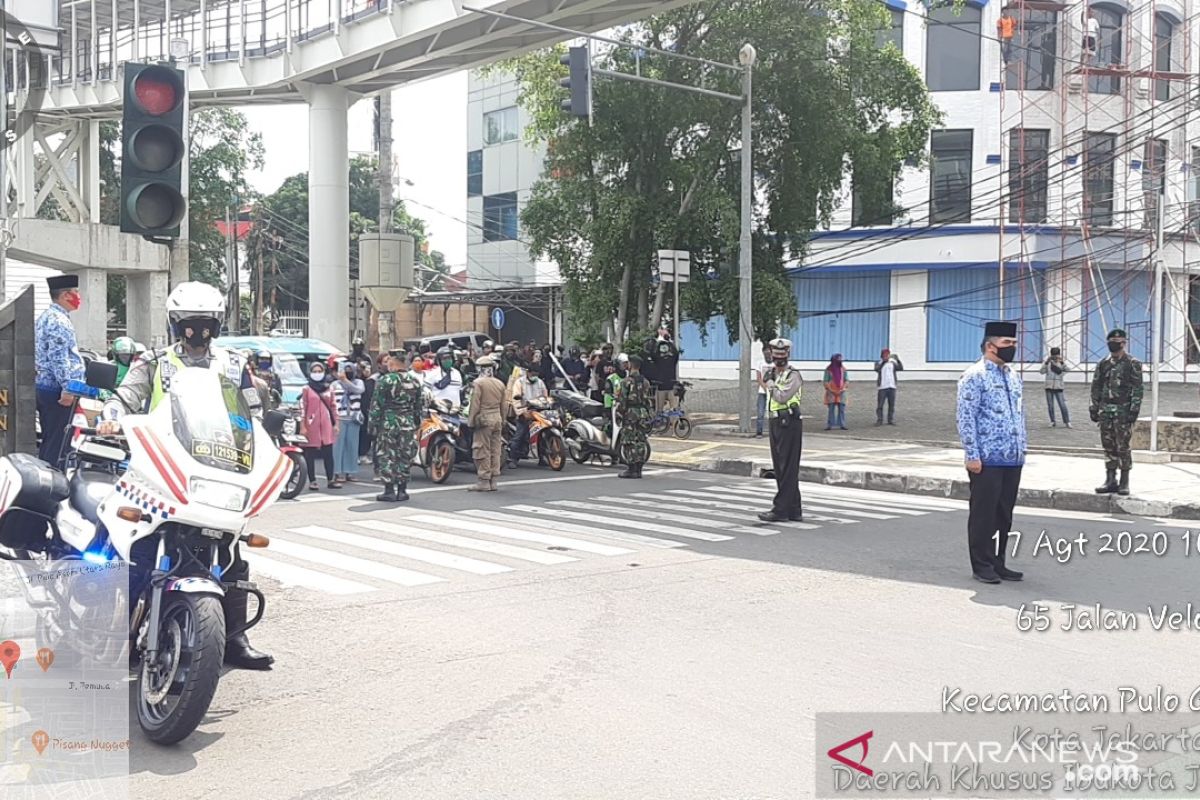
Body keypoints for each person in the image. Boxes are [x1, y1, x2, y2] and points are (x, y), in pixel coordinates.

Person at [98, 281, 272, 670]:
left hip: (219, 467)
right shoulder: (154, 362)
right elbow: (123, 398)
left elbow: (253, 411)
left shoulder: (232, 363)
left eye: (206, 322)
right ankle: (119, 631)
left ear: (218, 323)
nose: (197, 330)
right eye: (189, 322)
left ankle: (234, 639)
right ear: (175, 323)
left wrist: (267, 437)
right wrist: (111, 420)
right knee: (139, 546)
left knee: (232, 554)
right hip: (160, 465)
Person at [956, 321, 1026, 585]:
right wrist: (971, 454)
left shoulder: (1012, 375)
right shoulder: (974, 376)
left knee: (1003, 515)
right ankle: (981, 564)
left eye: (1014, 344)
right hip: (986, 458)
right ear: (990, 345)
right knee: (983, 514)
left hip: (1012, 456)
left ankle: (999, 562)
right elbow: (965, 417)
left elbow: (1019, 414)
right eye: (1007, 344)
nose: (1012, 348)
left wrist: (1023, 447)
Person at [35, 274, 85, 467]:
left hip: (47, 387)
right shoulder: (59, 321)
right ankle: (50, 489)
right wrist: (68, 388)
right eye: (76, 292)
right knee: (57, 444)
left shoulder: (46, 317)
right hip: (57, 391)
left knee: (51, 439)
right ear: (65, 295)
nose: (78, 297)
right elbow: (59, 358)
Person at [1090, 329, 1143, 496]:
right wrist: (1094, 406)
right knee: (1108, 445)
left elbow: (1137, 388)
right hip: (1106, 409)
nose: (1114, 344)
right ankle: (1110, 479)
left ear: (1124, 343)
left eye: (1117, 341)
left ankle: (1124, 481)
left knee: (1123, 446)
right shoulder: (1103, 363)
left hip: (1123, 410)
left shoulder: (1132, 363)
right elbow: (1096, 386)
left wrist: (1133, 411)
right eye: (1111, 341)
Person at [758, 338, 804, 523]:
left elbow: (782, 396)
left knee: (788, 467)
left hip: (790, 423)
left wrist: (769, 384)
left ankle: (781, 509)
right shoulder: (772, 373)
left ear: (788, 355)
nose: (778, 359)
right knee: (781, 467)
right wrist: (770, 381)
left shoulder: (793, 375)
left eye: (782, 356)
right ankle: (794, 509)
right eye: (776, 356)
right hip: (776, 421)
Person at [369, 350, 424, 502]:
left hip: (389, 423)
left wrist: (372, 425)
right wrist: (416, 423)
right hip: (407, 423)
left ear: (392, 363)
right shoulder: (414, 381)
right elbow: (418, 406)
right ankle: (402, 490)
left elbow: (376, 406)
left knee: (387, 455)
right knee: (404, 455)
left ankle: (389, 490)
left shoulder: (386, 380)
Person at [467, 355, 509, 492]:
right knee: (495, 450)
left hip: (484, 419)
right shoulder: (500, 383)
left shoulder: (478, 383)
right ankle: (493, 480)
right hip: (497, 419)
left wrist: (471, 421)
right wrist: (503, 420)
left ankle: (484, 481)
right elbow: (504, 405)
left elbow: (475, 404)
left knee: (482, 449)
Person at [299, 362, 341, 491]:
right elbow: (302, 408)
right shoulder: (306, 389)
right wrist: (303, 426)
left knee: (328, 453)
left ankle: (331, 479)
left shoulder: (329, 388)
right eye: (314, 371)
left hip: (327, 424)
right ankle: (312, 481)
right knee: (310, 453)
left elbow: (334, 407)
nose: (317, 374)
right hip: (312, 425)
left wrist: (336, 424)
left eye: (319, 371)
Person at [615, 354, 654, 478]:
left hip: (630, 413)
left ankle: (631, 469)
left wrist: (619, 414)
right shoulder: (646, 382)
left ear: (631, 365)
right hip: (642, 413)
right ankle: (639, 469)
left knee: (629, 440)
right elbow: (648, 400)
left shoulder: (626, 382)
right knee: (641, 440)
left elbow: (622, 401)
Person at [507, 364, 550, 468]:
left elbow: (545, 396)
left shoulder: (540, 382)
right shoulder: (519, 382)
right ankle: (513, 459)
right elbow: (515, 399)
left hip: (538, 411)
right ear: (528, 373)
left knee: (542, 434)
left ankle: (542, 457)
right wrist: (522, 412)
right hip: (524, 411)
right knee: (520, 434)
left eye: (537, 374)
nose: (535, 376)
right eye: (533, 374)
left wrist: (547, 404)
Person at [334, 362, 365, 483]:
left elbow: (358, 390)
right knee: (338, 447)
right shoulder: (334, 384)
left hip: (354, 418)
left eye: (350, 370)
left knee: (352, 446)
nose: (347, 372)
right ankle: (337, 472)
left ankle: (350, 471)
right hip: (339, 418)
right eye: (345, 370)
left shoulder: (358, 382)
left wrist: (345, 381)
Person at [648, 327, 681, 412]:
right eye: (662, 347)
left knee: (674, 410)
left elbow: (676, 353)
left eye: (665, 347)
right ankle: (661, 423)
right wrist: (657, 340)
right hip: (661, 387)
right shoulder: (658, 359)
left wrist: (668, 340)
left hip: (671, 386)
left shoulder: (671, 359)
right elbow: (652, 353)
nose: (664, 349)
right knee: (659, 410)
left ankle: (674, 424)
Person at [1039, 347, 1072, 428]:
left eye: (1056, 356)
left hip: (1058, 386)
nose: (1054, 357)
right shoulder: (1048, 363)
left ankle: (1067, 421)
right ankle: (1052, 421)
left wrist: (1062, 363)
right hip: (1049, 386)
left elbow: (1068, 370)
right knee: (1050, 405)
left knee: (1062, 404)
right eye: (1053, 356)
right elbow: (1041, 372)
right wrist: (1046, 363)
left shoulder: (1061, 363)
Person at [874, 348, 903, 426]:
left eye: (887, 355)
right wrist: (884, 362)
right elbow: (877, 369)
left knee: (891, 404)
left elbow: (900, 368)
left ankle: (890, 419)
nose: (886, 356)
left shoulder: (892, 363)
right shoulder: (878, 363)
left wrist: (898, 360)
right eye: (885, 355)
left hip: (892, 386)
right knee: (880, 405)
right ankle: (879, 420)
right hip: (882, 387)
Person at [823, 354, 849, 430]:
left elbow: (846, 380)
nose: (840, 361)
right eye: (838, 359)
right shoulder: (828, 370)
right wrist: (831, 390)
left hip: (842, 392)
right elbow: (825, 381)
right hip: (831, 392)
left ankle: (842, 424)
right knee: (831, 409)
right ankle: (830, 425)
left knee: (842, 409)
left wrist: (843, 389)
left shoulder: (843, 369)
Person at [754, 345, 772, 438]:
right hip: (762, 392)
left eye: (769, 353)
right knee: (760, 412)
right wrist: (765, 387)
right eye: (766, 354)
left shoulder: (775, 364)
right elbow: (758, 378)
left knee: (772, 412)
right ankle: (759, 431)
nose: (768, 356)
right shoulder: (760, 363)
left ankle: (773, 431)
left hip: (773, 391)